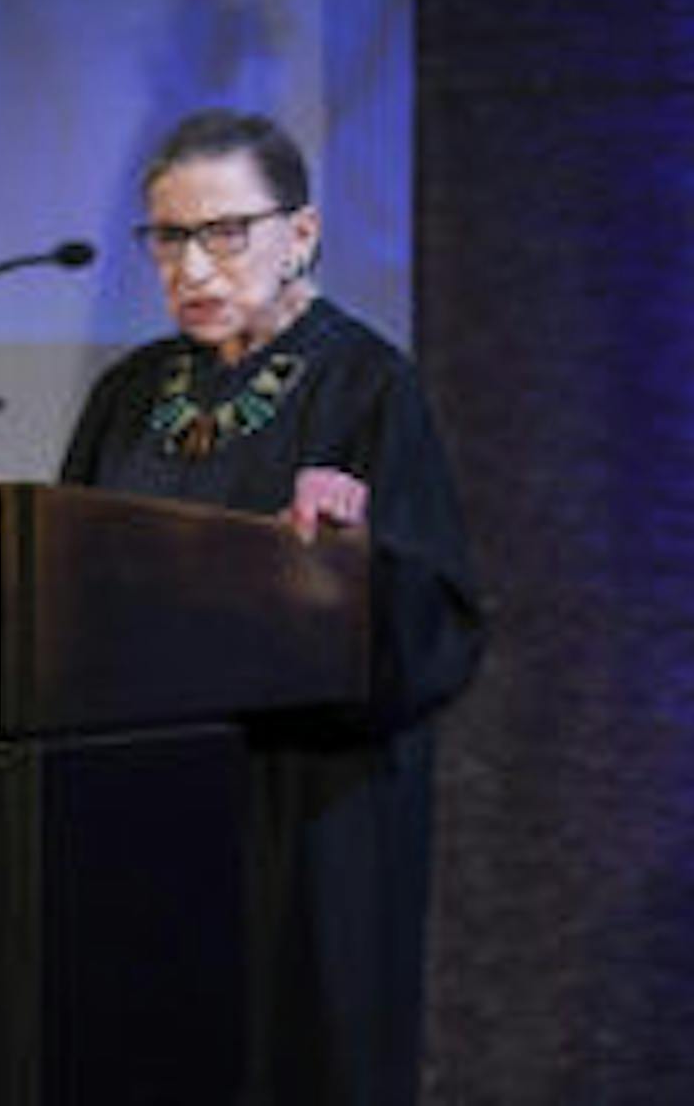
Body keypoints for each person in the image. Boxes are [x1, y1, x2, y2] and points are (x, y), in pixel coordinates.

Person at [59, 109, 484, 1105]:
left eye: (224, 233)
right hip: (149, 805)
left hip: (307, 808)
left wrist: (349, 560)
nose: (192, 268)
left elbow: (437, 624)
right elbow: (76, 577)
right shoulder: (130, 393)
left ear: (300, 234)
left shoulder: (366, 386)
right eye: (169, 237)